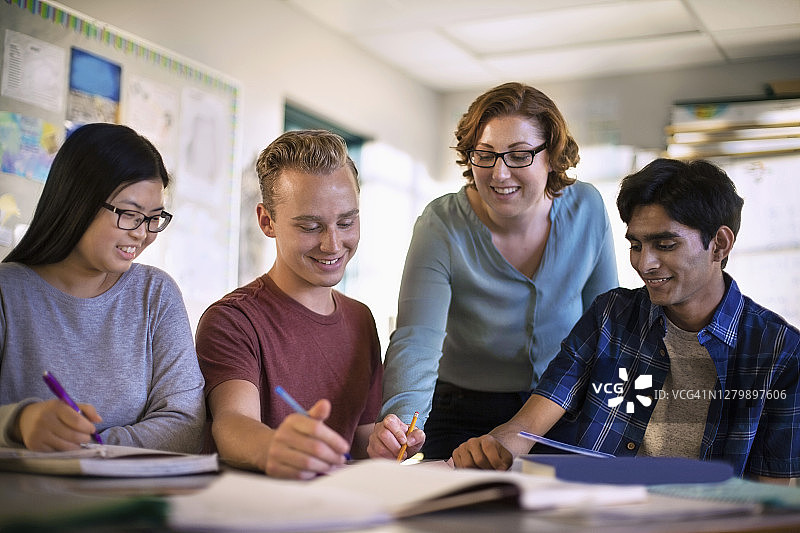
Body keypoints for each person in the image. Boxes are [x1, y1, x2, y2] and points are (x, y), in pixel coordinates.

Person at [453, 158, 800, 484]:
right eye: (635, 245)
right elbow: (524, 429)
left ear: (720, 244)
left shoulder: (781, 354)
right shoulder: (610, 315)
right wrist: (493, 446)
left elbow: (769, 502)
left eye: (665, 245)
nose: (644, 264)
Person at [370, 82, 618, 461]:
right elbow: (417, 337)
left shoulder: (587, 209)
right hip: (462, 412)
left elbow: (606, 326)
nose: (500, 174)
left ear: (551, 156)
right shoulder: (441, 224)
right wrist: (402, 425)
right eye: (485, 155)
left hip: (559, 406)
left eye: (519, 156)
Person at [196, 129, 396, 480]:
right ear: (266, 221)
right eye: (310, 226)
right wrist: (275, 446)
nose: (333, 244)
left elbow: (361, 441)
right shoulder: (232, 320)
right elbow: (232, 424)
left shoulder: (361, 319)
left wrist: (384, 443)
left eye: (346, 222)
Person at [0, 123, 206, 453]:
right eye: (129, 213)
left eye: (154, 218)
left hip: (130, 498)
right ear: (77, 202)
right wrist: (18, 423)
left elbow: (186, 425)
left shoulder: (155, 295)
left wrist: (86, 448)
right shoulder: (7, 292)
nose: (142, 233)